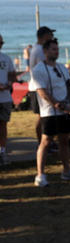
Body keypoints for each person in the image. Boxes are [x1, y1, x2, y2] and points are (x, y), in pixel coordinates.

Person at [30, 38, 70, 187]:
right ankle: (40, 175)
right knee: (46, 142)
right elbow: (42, 92)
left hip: (63, 111)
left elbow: (69, 85)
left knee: (64, 141)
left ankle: (67, 171)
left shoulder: (61, 67)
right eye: (53, 49)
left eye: (57, 49)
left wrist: (69, 101)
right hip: (49, 112)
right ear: (45, 51)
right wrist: (58, 104)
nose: (56, 51)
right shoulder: (39, 69)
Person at [29, 26, 55, 142]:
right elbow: (44, 68)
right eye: (50, 34)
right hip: (38, 87)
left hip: (38, 86)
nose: (52, 37)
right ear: (44, 36)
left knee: (44, 116)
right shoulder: (39, 50)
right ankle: (43, 142)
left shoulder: (37, 48)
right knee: (42, 116)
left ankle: (46, 141)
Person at [0, 33, 22, 165]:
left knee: (3, 126)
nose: (1, 45)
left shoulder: (6, 58)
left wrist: (8, 84)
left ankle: (2, 152)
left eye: (2, 43)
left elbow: (13, 75)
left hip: (5, 98)